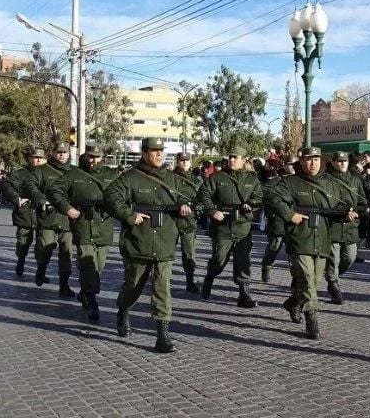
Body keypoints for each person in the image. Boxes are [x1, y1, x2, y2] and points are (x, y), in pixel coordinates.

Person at [104, 138, 192, 353]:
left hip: (164, 241)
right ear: (144, 153)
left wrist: (184, 207)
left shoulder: (172, 179)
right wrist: (128, 215)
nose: (159, 155)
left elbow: (190, 197)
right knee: (133, 285)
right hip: (139, 240)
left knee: (163, 288)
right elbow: (110, 197)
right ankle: (123, 309)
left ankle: (162, 335)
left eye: (161, 151)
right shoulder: (130, 178)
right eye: (154, 151)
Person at [265, 147, 358, 339]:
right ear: (301, 161)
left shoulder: (331, 183)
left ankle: (293, 302)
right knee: (307, 279)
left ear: (322, 161)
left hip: (322, 239)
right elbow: (273, 198)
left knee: (313, 283)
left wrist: (346, 216)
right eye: (308, 159)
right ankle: (312, 318)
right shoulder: (290, 182)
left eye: (316, 159)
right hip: (300, 239)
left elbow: (338, 208)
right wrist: (290, 215)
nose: (313, 163)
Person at [48, 144, 120, 322]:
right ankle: (92, 300)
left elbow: (124, 195)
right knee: (87, 262)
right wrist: (67, 208)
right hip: (83, 223)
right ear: (84, 156)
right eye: (90, 156)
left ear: (102, 157)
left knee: (99, 265)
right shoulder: (74, 174)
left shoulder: (111, 175)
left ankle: (85, 291)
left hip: (103, 223)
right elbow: (54, 191)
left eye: (96, 156)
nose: (93, 160)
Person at [198, 146, 263, 307]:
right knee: (219, 260)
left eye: (236, 157)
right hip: (223, 226)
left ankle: (244, 294)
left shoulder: (251, 179)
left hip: (243, 226)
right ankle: (209, 278)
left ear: (243, 160)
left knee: (243, 261)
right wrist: (212, 211)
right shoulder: (218, 177)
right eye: (230, 157)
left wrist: (251, 204)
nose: (232, 160)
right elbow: (203, 194)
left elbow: (259, 197)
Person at [24, 142, 75, 296]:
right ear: (52, 153)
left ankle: (64, 285)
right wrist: (41, 199)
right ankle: (41, 269)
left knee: (66, 253)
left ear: (68, 154)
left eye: (64, 152)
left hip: (68, 219)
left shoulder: (75, 172)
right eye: (58, 152)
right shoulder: (42, 171)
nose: (61, 155)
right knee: (44, 248)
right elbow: (30, 185)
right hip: (47, 217)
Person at [324, 151, 366, 304]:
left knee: (350, 257)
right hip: (332, 226)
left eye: (345, 161)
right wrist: (341, 214)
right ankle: (333, 285)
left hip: (350, 228)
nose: (342, 164)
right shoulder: (326, 179)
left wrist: (357, 212)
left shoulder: (355, 180)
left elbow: (362, 203)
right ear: (333, 162)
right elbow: (324, 204)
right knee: (333, 259)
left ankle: (333, 277)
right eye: (339, 161)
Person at [0, 146, 45, 276]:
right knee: (23, 241)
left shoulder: (48, 173)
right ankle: (21, 260)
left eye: (40, 158)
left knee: (43, 243)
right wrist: (16, 198)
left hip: (44, 213)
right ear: (29, 158)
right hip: (26, 212)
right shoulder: (21, 173)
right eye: (35, 158)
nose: (37, 161)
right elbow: (6, 185)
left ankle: (41, 269)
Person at [172, 152, 202, 292]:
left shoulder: (196, 180)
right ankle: (158, 280)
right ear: (177, 161)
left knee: (189, 254)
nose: (184, 162)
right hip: (170, 220)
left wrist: (191, 206)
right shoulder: (169, 178)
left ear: (191, 162)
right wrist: (179, 205)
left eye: (186, 160)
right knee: (164, 253)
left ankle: (190, 281)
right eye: (181, 160)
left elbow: (202, 198)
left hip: (189, 222)